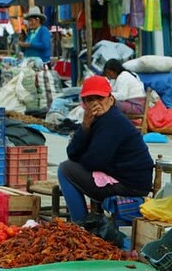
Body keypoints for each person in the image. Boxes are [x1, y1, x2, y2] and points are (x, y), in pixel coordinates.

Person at [58, 75, 154, 223]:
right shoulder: (95, 120)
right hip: (118, 177)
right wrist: (85, 126)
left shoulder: (112, 121)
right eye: (90, 100)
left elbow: (94, 162)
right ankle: (82, 222)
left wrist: (82, 156)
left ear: (110, 99)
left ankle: (81, 224)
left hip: (130, 185)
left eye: (99, 98)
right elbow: (72, 152)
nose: (95, 104)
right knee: (69, 166)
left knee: (65, 169)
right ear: (84, 104)